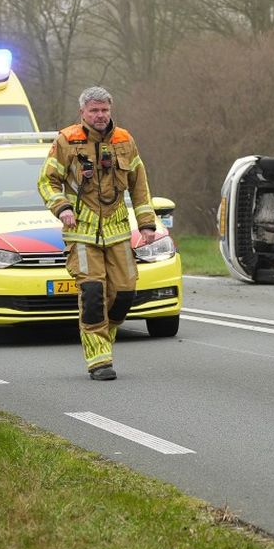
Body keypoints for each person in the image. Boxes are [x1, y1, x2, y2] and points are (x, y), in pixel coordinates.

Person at [38, 86, 166, 380]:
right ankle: (99, 361)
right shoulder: (66, 140)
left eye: (104, 110)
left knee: (125, 293)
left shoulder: (124, 140)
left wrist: (147, 223)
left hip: (118, 231)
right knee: (93, 294)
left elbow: (139, 185)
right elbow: (47, 182)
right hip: (81, 233)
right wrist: (62, 207)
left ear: (111, 110)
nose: (100, 115)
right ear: (82, 112)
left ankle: (103, 337)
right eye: (94, 110)